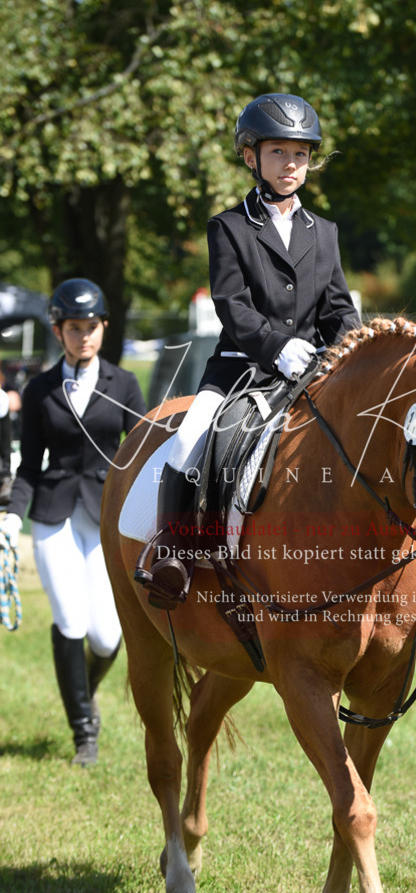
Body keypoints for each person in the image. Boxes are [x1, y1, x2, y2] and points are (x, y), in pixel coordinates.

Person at [139, 92, 361, 609]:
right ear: (251, 156)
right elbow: (232, 307)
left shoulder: (324, 233)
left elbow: (339, 309)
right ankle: (177, 550)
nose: (291, 164)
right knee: (191, 437)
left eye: (301, 154)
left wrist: (350, 350)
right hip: (242, 366)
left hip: (311, 371)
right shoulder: (228, 227)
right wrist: (277, 347)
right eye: (279, 152)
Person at [0, 278, 145, 767]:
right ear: (58, 331)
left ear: (104, 328)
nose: (85, 336)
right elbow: (29, 466)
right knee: (71, 620)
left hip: (105, 517)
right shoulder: (39, 388)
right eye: (74, 328)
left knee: (107, 635)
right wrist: (8, 518)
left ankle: (83, 692)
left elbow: (144, 453)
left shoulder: (124, 384)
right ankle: (84, 733)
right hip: (52, 516)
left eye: (92, 327)